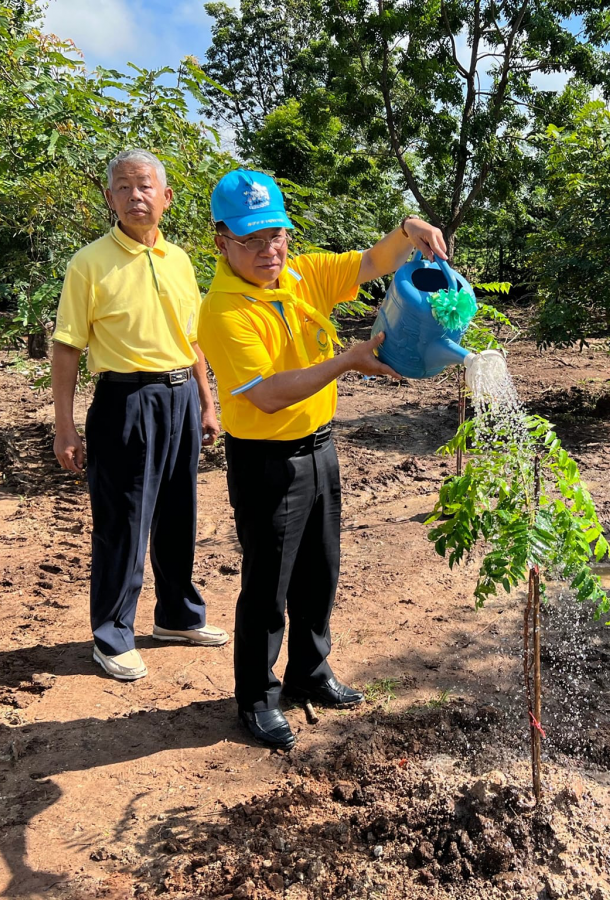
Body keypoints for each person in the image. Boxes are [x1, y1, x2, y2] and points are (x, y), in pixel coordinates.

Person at [197, 169, 448, 750]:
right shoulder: (223, 310)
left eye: (275, 235)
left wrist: (409, 230)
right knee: (267, 584)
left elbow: (368, 263)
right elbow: (266, 393)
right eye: (251, 240)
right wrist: (346, 362)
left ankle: (309, 673)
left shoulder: (303, 272)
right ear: (222, 243)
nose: (269, 251)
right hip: (266, 459)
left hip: (319, 447)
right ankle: (256, 699)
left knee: (319, 570)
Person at [51, 149, 228, 682]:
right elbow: (66, 349)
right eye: (123, 187)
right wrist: (65, 427)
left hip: (179, 400)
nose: (135, 196)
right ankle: (112, 634)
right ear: (109, 198)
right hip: (125, 402)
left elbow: (192, 339)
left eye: (145, 186)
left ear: (166, 197)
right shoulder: (88, 263)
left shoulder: (180, 261)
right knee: (123, 522)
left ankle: (176, 616)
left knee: (179, 514)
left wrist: (206, 400)